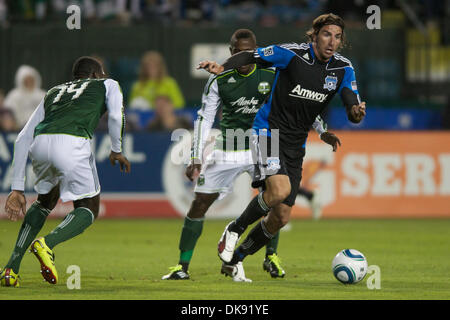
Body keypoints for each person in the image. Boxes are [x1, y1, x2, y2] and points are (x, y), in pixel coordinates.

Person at [162, 29, 341, 282]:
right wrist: (195, 157)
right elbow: (205, 118)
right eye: (237, 53)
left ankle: (271, 256)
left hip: (267, 141)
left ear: (255, 52)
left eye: (247, 52)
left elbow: (302, 104)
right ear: (231, 53)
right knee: (200, 202)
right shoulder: (219, 79)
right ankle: (182, 266)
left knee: (276, 201)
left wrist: (322, 130)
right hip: (230, 147)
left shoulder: (272, 72)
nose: (242, 57)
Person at [198, 13, 366, 281]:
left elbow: (351, 107)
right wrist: (223, 67)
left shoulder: (343, 69)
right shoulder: (291, 54)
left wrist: (356, 112)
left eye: (337, 37)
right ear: (314, 35)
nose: (331, 41)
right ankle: (234, 228)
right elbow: (249, 57)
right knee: (280, 190)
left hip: (296, 143)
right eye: (326, 34)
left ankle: (236, 258)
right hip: (268, 130)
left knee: (281, 218)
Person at [0, 56, 131, 287]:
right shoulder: (108, 84)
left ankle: (11, 268)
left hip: (40, 144)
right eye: (101, 73)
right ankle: (47, 244)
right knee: (89, 207)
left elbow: (22, 138)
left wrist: (17, 189)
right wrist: (117, 149)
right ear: (95, 74)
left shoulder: (53, 92)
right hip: (72, 142)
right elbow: (115, 114)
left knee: (44, 201)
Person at [4, 65, 46, 129]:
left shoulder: (42, 94)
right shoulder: (14, 95)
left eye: (31, 79)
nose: (29, 82)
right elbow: (7, 110)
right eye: (26, 80)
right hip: (18, 128)